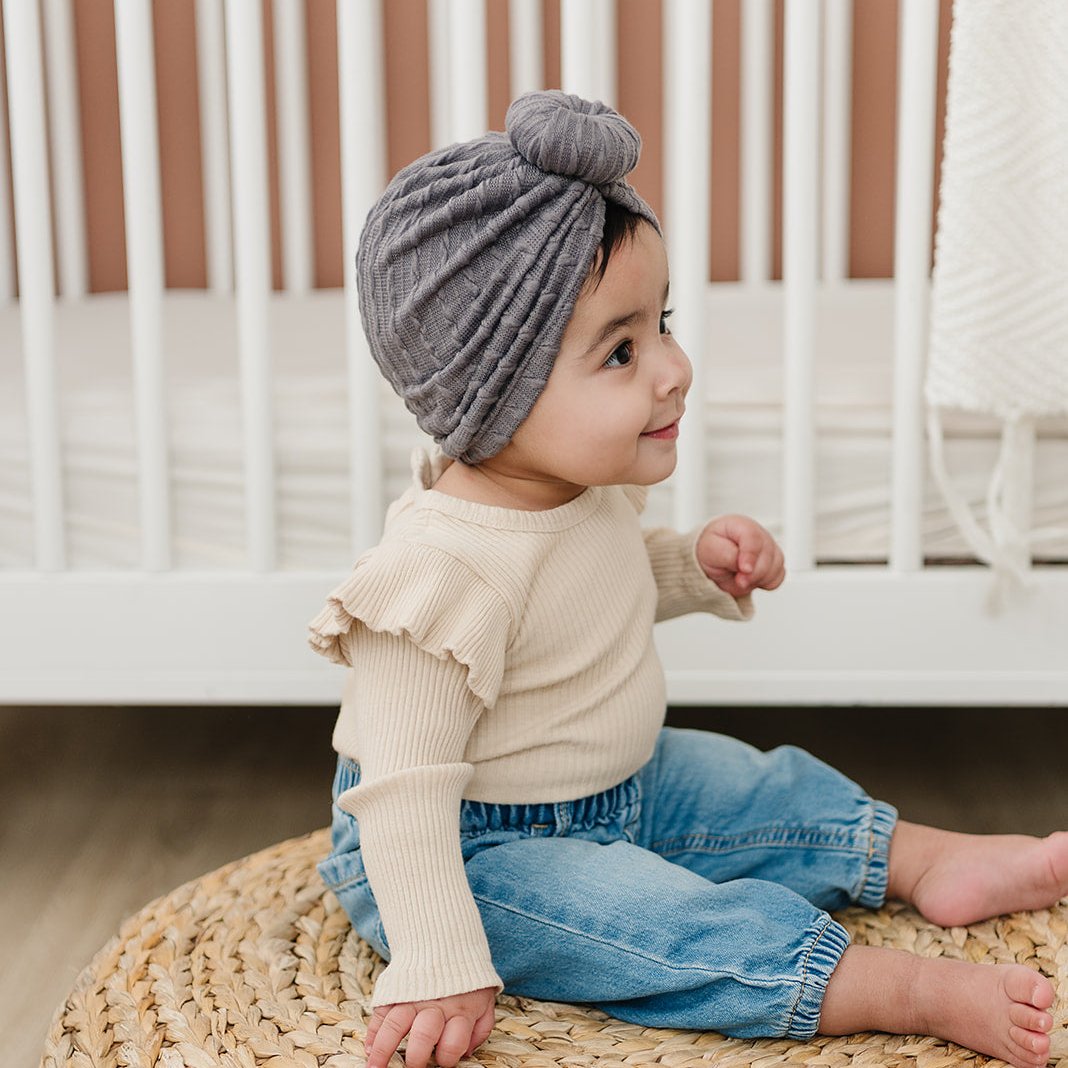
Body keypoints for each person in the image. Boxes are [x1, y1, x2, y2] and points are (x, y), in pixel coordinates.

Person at [307, 91, 1066, 1068]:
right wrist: (439, 952)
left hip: (623, 784)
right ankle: (898, 985)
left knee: (761, 784)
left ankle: (926, 859)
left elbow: (594, 591)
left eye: (660, 323)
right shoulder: (438, 572)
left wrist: (692, 566)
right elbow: (404, 793)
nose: (673, 368)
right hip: (470, 851)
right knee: (664, 921)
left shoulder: (573, 489)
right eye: (621, 351)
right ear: (493, 391)